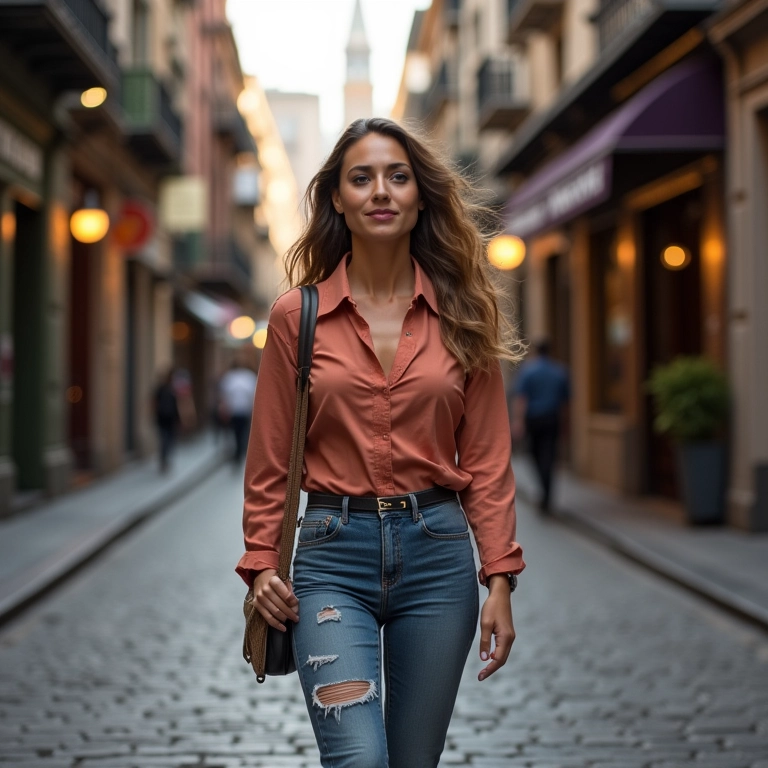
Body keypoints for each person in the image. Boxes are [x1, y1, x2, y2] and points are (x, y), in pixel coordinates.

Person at [236, 117, 525, 768]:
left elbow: (486, 459)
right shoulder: (297, 315)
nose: (380, 191)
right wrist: (260, 564)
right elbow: (270, 460)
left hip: (439, 560)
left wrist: (500, 578)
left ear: (420, 194)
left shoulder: (464, 312)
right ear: (337, 197)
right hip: (331, 559)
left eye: (397, 176)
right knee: (359, 760)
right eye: (360, 178)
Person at [510, 339, 570, 512]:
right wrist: (565, 424)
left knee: (535, 455)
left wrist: (518, 422)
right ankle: (547, 494)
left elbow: (521, 399)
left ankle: (544, 492)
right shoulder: (559, 372)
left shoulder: (528, 372)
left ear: (536, 352)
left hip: (534, 420)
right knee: (549, 456)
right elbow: (565, 403)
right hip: (552, 419)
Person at [219, 359, 258, 464]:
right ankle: (240, 452)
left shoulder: (230, 377)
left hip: (236, 410)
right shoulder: (249, 377)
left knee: (238, 432)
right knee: (242, 432)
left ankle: (239, 452)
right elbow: (254, 396)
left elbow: (224, 396)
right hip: (242, 410)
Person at [153, 368, 180, 473]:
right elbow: (154, 402)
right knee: (165, 440)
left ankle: (165, 460)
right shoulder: (164, 389)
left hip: (169, 418)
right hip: (164, 418)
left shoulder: (172, 389)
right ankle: (164, 460)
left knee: (168, 440)